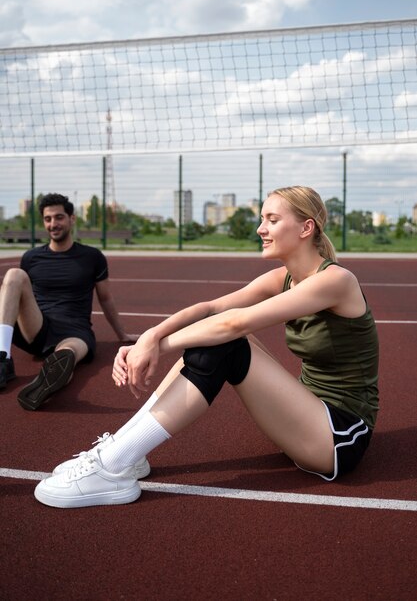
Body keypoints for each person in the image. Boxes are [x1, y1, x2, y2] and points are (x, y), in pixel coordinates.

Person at [34, 186, 379, 508]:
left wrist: (159, 346)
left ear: (306, 228)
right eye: (262, 219)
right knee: (213, 334)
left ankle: (111, 467)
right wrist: (150, 336)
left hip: (339, 436)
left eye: (272, 220)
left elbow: (234, 324)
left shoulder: (336, 280)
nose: (261, 228)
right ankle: (124, 453)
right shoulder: (284, 278)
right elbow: (213, 308)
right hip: (308, 414)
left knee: (226, 341)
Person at [0, 192, 138, 411]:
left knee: (68, 353)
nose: (53, 224)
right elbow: (17, 295)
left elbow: (106, 298)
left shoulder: (92, 257)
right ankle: (3, 358)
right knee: (14, 276)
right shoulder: (31, 257)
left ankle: (51, 379)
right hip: (38, 326)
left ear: (72, 219)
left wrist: (122, 335)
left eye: (59, 217)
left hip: (75, 330)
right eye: (48, 219)